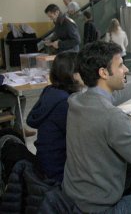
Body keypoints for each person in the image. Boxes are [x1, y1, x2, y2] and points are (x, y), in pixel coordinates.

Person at [62, 41, 131, 213]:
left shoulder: (77, 100)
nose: (127, 70)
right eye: (121, 65)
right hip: (98, 208)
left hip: (73, 197)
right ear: (104, 72)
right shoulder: (112, 117)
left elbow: (111, 97)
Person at [26, 52, 83, 183]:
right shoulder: (64, 103)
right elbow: (85, 136)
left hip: (44, 165)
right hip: (58, 173)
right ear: (73, 75)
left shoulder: (51, 91)